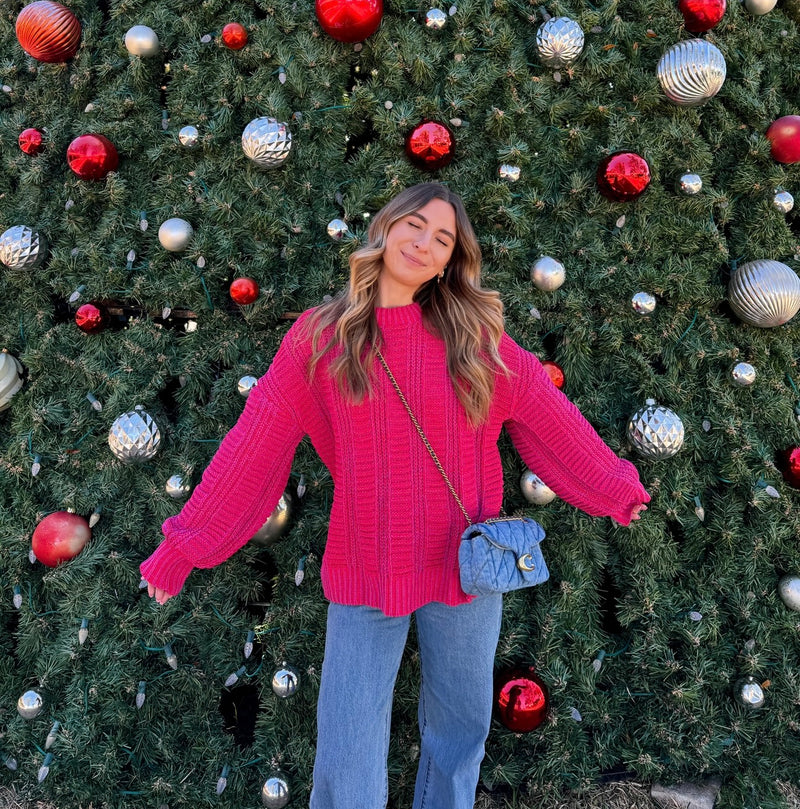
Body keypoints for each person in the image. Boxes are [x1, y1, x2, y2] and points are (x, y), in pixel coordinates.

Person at [140, 181, 649, 809]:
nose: (424, 244)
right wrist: (185, 546)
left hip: (468, 569)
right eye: (416, 225)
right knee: (348, 744)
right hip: (366, 566)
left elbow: (549, 415)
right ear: (385, 227)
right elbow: (255, 446)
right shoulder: (319, 337)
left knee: (461, 731)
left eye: (443, 240)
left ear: (450, 262)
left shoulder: (474, 337)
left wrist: (614, 486)